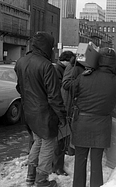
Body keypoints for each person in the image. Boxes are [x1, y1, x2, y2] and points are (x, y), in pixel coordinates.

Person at [14, 32, 66, 187]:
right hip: (45, 114)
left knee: (37, 141)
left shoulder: (21, 62)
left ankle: (31, 176)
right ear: (47, 47)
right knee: (48, 144)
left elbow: (19, 87)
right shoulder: (46, 66)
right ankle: (42, 180)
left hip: (28, 111)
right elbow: (54, 96)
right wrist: (62, 116)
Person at [71, 47, 116, 187]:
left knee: (80, 160)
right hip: (101, 125)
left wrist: (92, 67)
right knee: (96, 163)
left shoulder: (84, 77)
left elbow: (71, 89)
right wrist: (114, 71)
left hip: (82, 122)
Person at [51, 51, 76, 176]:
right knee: (60, 138)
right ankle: (57, 167)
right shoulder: (58, 70)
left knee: (61, 138)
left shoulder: (60, 69)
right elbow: (59, 89)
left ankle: (56, 165)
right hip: (60, 108)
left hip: (60, 107)